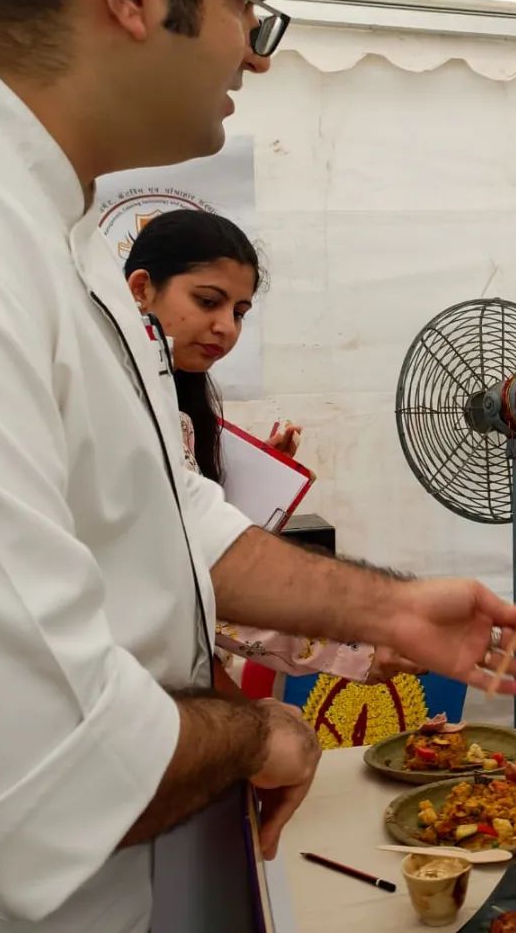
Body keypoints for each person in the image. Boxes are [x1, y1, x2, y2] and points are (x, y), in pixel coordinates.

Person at [0, 0, 516, 931]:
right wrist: (259, 733)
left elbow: (169, 516)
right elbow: (44, 779)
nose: (256, 53)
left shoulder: (46, 215)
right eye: (245, 5)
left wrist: (386, 608)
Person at [125, 207, 419, 686]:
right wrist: (357, 642)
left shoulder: (172, 395)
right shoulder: (121, 408)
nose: (226, 327)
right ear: (141, 289)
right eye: (207, 301)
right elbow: (193, 572)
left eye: (239, 313)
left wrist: (251, 470)